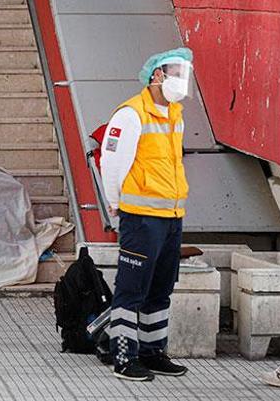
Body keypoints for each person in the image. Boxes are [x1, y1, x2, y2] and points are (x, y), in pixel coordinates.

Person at [100, 47, 193, 382]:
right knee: (132, 286)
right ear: (157, 75)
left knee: (161, 287)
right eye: (178, 74)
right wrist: (115, 205)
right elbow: (110, 163)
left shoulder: (175, 115)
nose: (183, 82)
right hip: (140, 217)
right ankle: (123, 355)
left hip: (170, 215)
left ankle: (154, 352)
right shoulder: (130, 114)